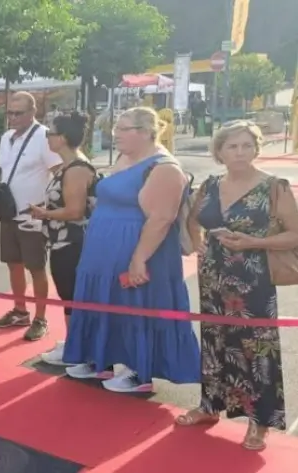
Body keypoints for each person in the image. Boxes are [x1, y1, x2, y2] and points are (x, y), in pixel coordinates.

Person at [61, 107, 200, 393]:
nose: (116, 134)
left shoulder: (164, 167)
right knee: (103, 300)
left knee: (136, 305)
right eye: (117, 128)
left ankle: (140, 371)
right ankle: (101, 358)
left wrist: (139, 259)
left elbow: (161, 219)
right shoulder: (126, 158)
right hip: (104, 248)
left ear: (147, 132)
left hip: (137, 248)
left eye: (124, 128)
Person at [181, 121, 296, 450]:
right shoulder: (211, 184)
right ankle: (210, 406)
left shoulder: (275, 186)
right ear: (219, 151)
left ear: (257, 148)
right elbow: (194, 218)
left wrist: (252, 243)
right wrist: (196, 241)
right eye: (232, 146)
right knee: (216, 342)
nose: (240, 152)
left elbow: (296, 233)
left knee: (257, 349)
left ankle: (260, 422)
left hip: (253, 278)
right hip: (214, 276)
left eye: (247, 145)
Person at [0, 92, 63, 342]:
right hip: (8, 212)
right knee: (13, 263)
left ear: (33, 112)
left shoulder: (43, 137)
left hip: (33, 215)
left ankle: (40, 317)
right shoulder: (6, 137)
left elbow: (58, 172)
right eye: (9, 112)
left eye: (18, 113)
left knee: (36, 266)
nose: (12, 117)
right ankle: (20, 310)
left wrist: (49, 207)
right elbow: (3, 170)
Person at [32, 112, 97, 366]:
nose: (47, 137)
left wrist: (44, 213)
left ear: (63, 137)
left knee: (72, 295)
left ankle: (76, 348)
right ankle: (74, 342)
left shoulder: (77, 168)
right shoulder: (68, 166)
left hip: (72, 242)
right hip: (62, 240)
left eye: (50, 133)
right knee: (69, 295)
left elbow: (75, 211)